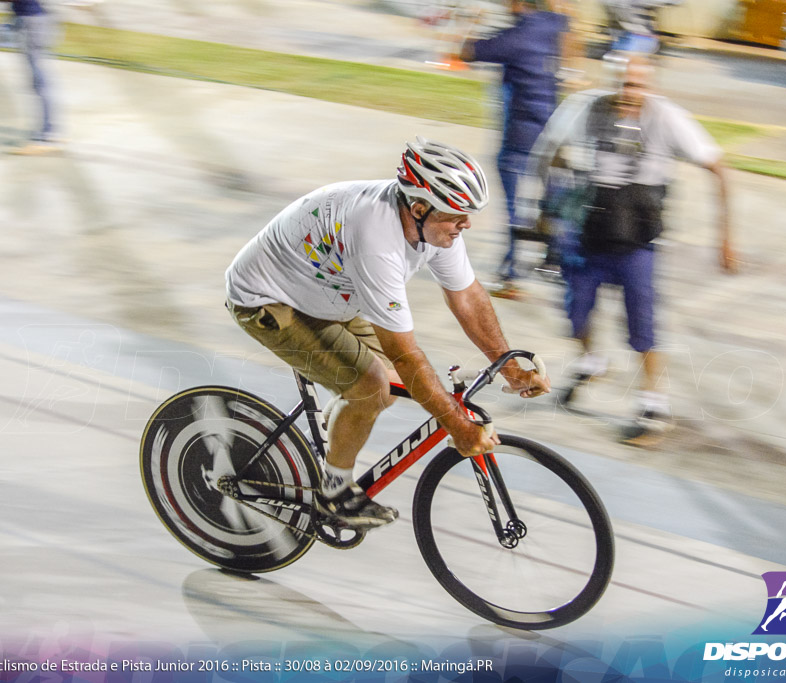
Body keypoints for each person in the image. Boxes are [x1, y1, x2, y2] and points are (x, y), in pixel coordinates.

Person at [225, 138, 550, 529]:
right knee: (374, 387)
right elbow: (405, 354)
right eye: (457, 215)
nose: (467, 224)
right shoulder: (378, 239)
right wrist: (458, 427)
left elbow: (466, 297)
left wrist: (509, 365)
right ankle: (335, 494)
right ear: (417, 207)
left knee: (394, 386)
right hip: (271, 298)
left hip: (330, 291)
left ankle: (345, 413)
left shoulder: (434, 225)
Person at [527, 53, 736, 446]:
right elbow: (549, 150)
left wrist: (725, 237)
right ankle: (591, 361)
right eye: (622, 83)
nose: (628, 93)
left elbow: (719, 167)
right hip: (589, 231)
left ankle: (652, 406)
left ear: (650, 85)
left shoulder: (668, 118)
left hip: (637, 241)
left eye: (637, 85)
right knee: (575, 312)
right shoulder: (585, 108)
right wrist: (545, 208)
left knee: (642, 326)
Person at [458, 0, 569, 300]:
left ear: (518, 4)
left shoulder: (513, 38)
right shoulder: (552, 24)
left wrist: (471, 19)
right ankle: (555, 261)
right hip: (554, 135)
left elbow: (466, 51)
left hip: (519, 139)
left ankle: (510, 273)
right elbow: (566, 20)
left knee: (515, 209)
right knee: (554, 198)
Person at [0, 0, 62, 155]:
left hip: (31, 22)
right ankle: (50, 132)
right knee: (40, 81)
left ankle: (46, 137)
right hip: (35, 20)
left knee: (39, 82)